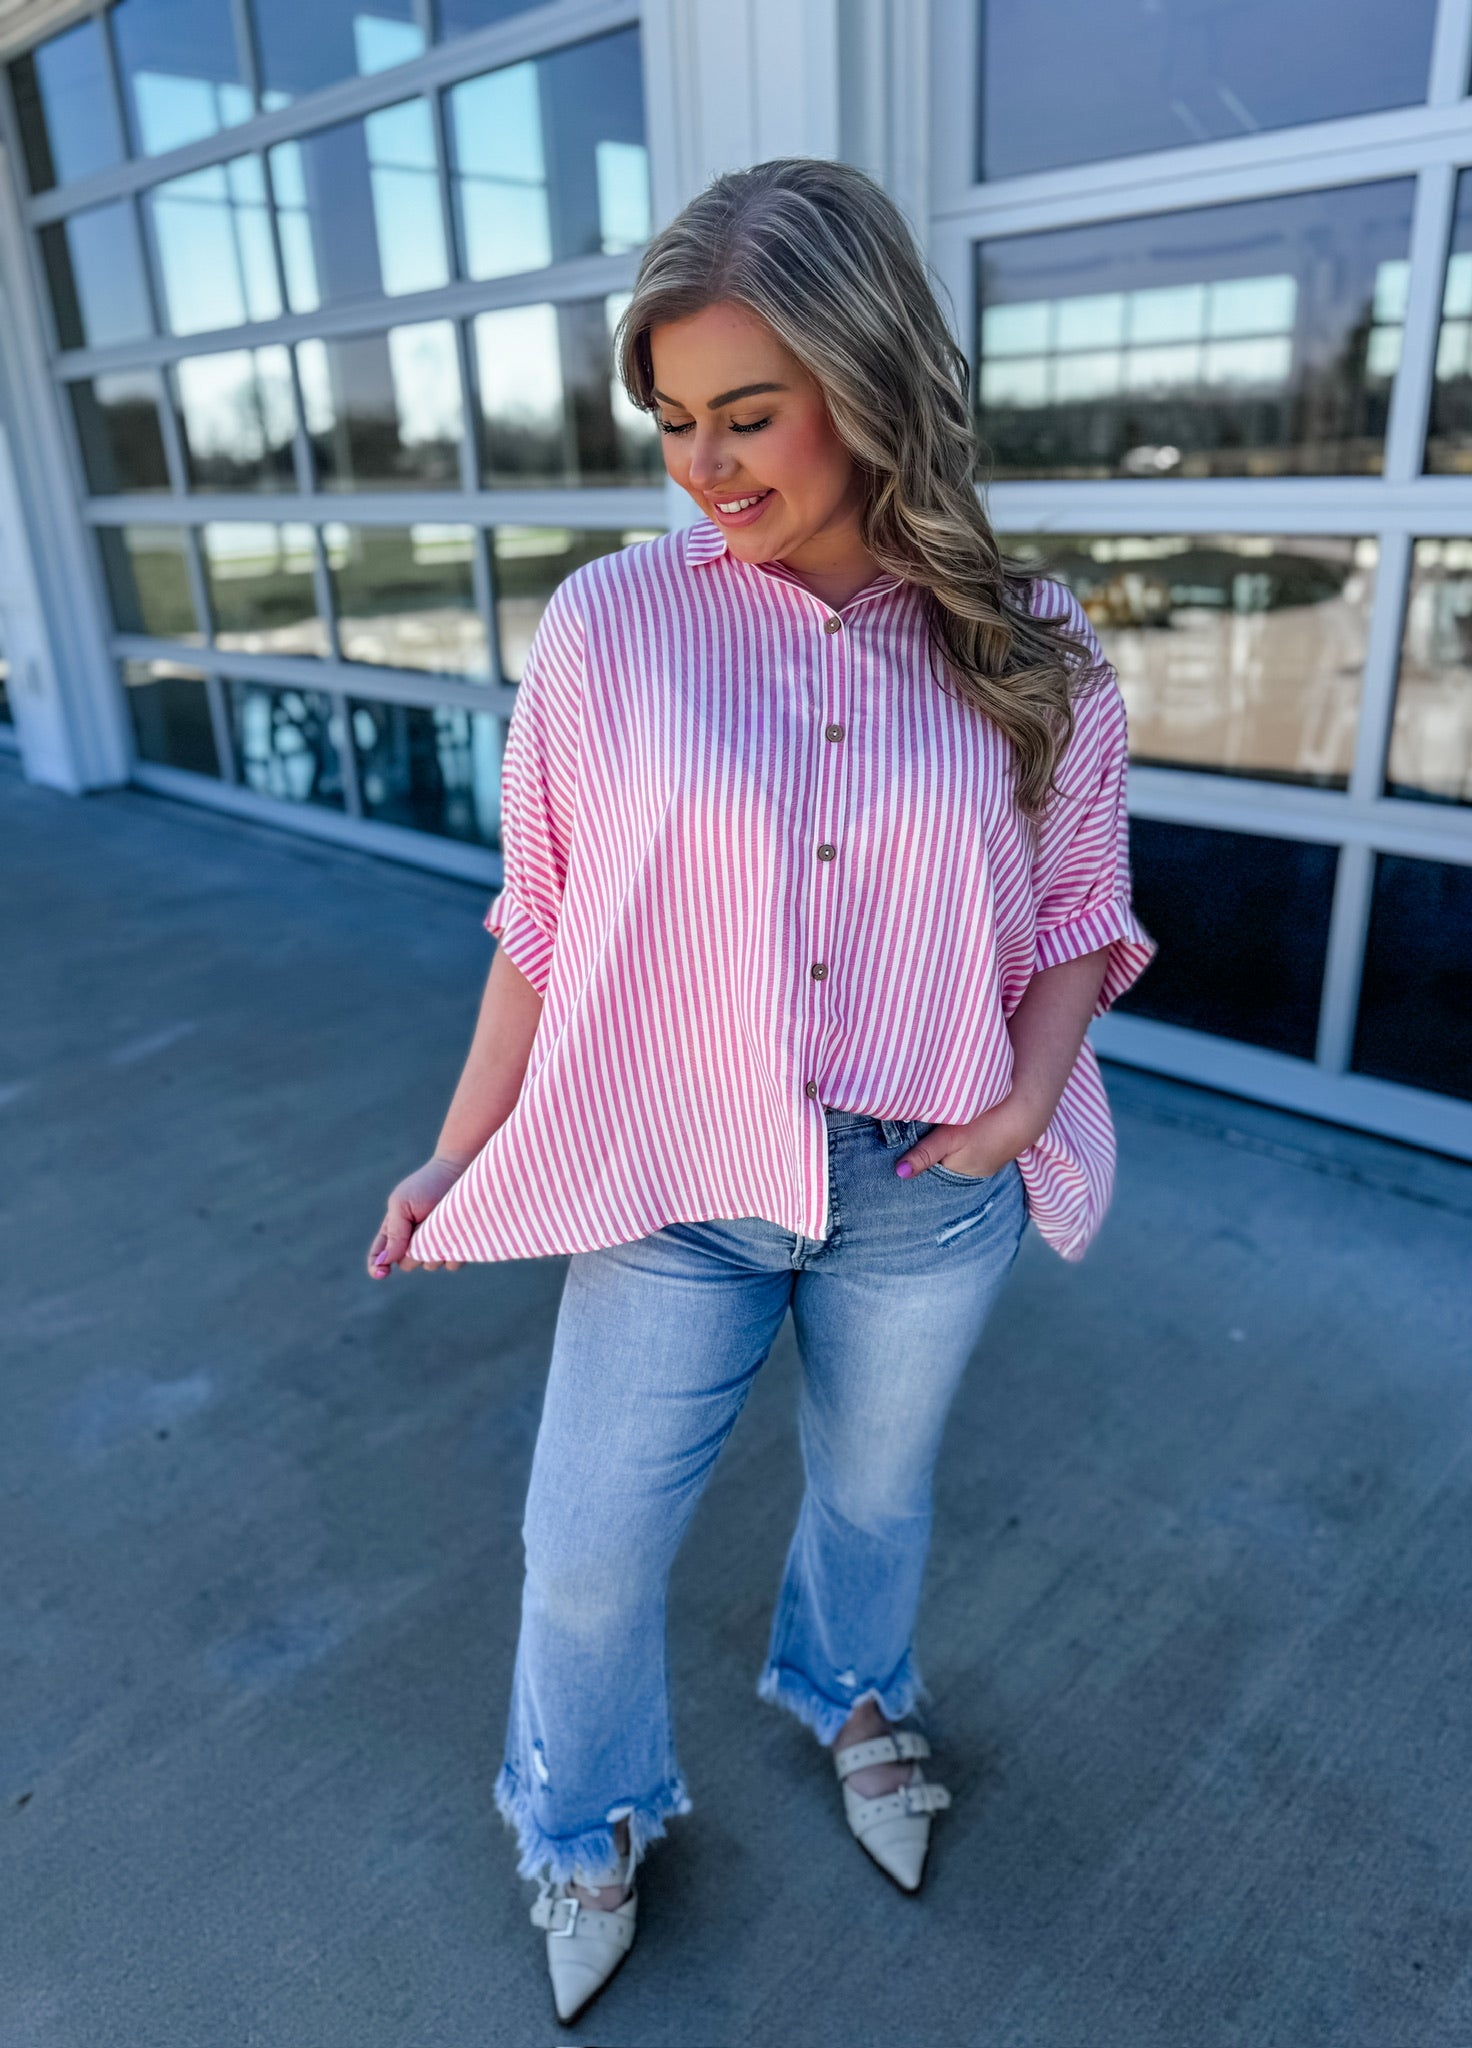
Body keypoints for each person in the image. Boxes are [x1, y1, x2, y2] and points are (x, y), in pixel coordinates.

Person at [366, 156, 1154, 2028]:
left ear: (866, 384)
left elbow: (1076, 914)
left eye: (748, 412)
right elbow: (542, 921)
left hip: (923, 1184)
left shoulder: (1032, 645)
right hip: (673, 1181)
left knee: (874, 1496)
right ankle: (581, 1817)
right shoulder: (610, 628)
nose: (706, 466)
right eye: (673, 422)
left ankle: (852, 1691)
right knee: (583, 1550)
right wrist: (460, 1152)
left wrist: (1023, 1109)